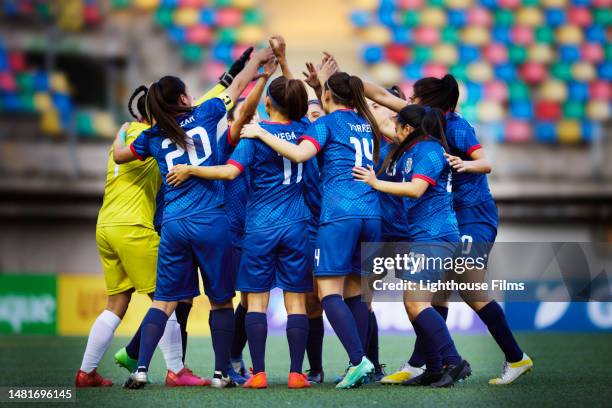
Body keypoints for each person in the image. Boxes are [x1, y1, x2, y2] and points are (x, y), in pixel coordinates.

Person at [112, 46, 274, 389]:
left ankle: (140, 369)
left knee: (164, 301)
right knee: (220, 301)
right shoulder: (206, 112)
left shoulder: (151, 136)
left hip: (173, 224)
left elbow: (122, 155)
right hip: (210, 221)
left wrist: (119, 136)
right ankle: (220, 374)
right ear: (184, 97)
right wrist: (258, 64)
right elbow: (237, 88)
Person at [366, 74, 533, 385]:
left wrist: (463, 164)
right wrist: (349, 84)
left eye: (414, 98)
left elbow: (485, 163)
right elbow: (384, 99)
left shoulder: (456, 125)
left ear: (429, 102)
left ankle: (515, 357)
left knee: (467, 287)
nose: (409, 102)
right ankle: (426, 364)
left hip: (473, 215)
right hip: (450, 217)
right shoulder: (426, 123)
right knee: (435, 294)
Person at [168, 35, 313, 390]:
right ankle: (296, 373)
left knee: (255, 302)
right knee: (296, 302)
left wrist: (192, 169)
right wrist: (282, 61)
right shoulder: (309, 130)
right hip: (297, 224)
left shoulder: (253, 135)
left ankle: (259, 373)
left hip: (260, 226)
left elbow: (230, 172)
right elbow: (298, 99)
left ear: (267, 105)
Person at [240, 60, 383, 389]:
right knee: (357, 293)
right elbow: (303, 107)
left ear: (328, 96)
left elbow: (300, 153)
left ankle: (358, 360)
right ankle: (359, 364)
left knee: (326, 292)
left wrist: (260, 130)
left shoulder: (324, 125)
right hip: (371, 214)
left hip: (336, 215)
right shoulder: (366, 122)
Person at [75, 86, 205, 388]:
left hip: (105, 226)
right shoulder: (155, 139)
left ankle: (86, 372)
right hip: (134, 228)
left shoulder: (123, 133)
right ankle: (176, 371)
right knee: (167, 297)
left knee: (116, 303)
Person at [353, 104, 471, 387]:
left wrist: (375, 183)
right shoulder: (411, 149)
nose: (392, 128)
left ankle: (454, 361)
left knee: (416, 302)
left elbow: (417, 188)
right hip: (425, 236)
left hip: (436, 236)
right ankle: (432, 367)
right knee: (414, 303)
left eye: (397, 124)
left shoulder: (429, 150)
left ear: (408, 129)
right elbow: (378, 125)